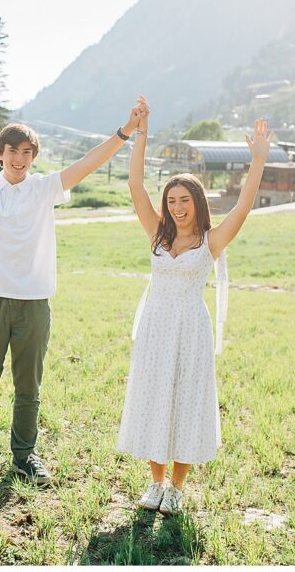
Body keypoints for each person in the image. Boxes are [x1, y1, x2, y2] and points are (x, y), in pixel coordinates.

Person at [0, 68, 145, 485]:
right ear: (0, 154)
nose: (18, 160)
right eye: (12, 152)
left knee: (28, 388)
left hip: (33, 302)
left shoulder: (44, 189)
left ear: (33, 158)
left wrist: (125, 131)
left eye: (26, 154)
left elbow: (88, 162)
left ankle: (24, 457)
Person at [118, 112, 272, 514]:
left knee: (186, 400)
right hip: (156, 326)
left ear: (197, 203)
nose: (177, 207)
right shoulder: (157, 232)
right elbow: (135, 185)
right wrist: (142, 133)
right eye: (171, 201)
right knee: (155, 397)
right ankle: (155, 483)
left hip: (190, 326)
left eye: (184, 200)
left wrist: (257, 160)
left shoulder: (211, 241)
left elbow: (242, 207)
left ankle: (177, 487)